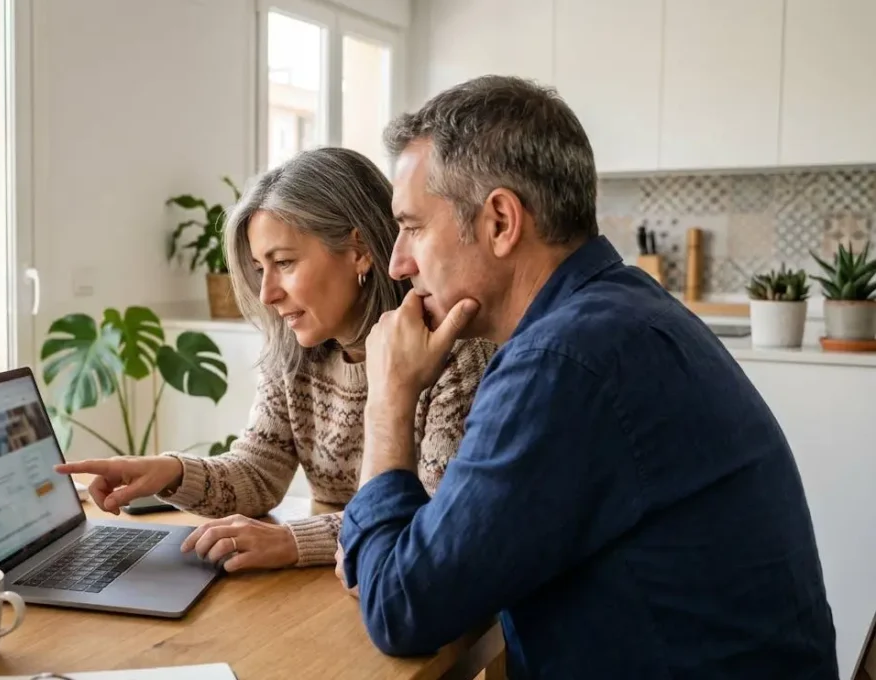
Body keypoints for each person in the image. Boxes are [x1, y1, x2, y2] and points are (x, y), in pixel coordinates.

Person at [337, 74, 837, 678]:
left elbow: (400, 608)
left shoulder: (563, 361)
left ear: (500, 221)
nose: (399, 262)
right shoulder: (618, 314)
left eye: (413, 226)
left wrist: (388, 401)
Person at [56, 147, 497, 573]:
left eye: (284, 262)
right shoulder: (294, 351)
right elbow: (259, 471)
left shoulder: (453, 354)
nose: (267, 293)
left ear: (359, 251)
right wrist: (169, 473)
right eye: (259, 268)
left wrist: (292, 541)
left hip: (406, 585)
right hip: (345, 578)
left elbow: (432, 516)